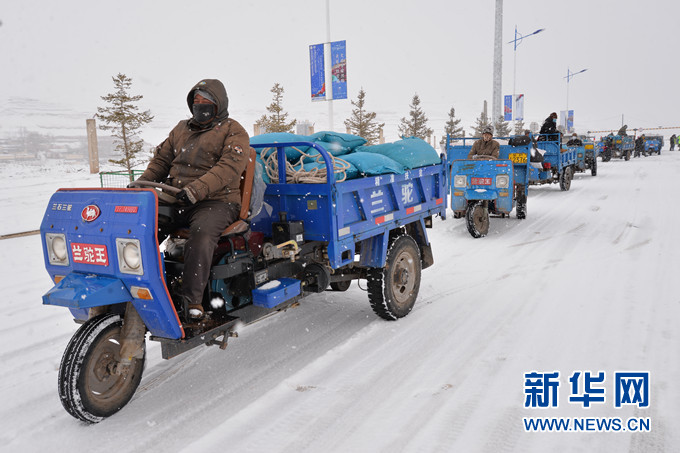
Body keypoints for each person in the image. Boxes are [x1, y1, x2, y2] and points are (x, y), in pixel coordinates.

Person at [136, 79, 250, 320]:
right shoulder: (180, 129)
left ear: (219, 103)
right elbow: (160, 161)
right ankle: (138, 281)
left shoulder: (233, 130)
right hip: (177, 197)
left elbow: (229, 167)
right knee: (142, 227)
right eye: (196, 101)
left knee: (201, 234)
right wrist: (142, 184)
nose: (200, 106)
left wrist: (197, 190)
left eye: (206, 101)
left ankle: (192, 302)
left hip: (217, 201)